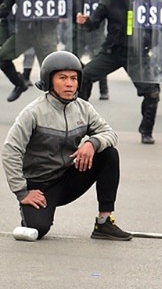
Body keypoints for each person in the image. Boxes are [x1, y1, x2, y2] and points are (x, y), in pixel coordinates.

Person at [2, 51, 131, 241]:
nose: (69, 83)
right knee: (38, 230)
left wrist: (92, 143)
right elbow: (10, 151)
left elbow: (110, 134)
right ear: (49, 80)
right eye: (62, 78)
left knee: (109, 154)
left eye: (73, 78)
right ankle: (29, 213)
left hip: (68, 179)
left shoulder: (83, 108)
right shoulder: (33, 113)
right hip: (39, 187)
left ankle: (104, 223)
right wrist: (22, 192)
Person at [76, 0, 162, 145]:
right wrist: (85, 21)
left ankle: (146, 131)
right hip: (112, 51)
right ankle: (81, 124)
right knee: (84, 76)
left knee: (152, 92)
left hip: (137, 54)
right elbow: (94, 22)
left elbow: (158, 26)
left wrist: (148, 44)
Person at [0, 0, 60, 103]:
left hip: (45, 34)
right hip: (24, 33)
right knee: (2, 57)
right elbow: (6, 6)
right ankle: (19, 83)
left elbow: (60, 8)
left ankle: (58, 104)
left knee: (52, 70)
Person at [69, 0, 110, 100]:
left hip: (95, 31)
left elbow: (105, 8)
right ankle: (77, 85)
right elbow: (69, 10)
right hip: (78, 31)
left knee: (99, 57)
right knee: (73, 57)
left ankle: (103, 90)